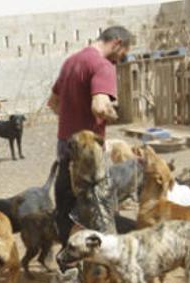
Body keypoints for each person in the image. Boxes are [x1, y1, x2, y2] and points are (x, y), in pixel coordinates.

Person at [48, 25, 132, 246]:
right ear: (117, 43)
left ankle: (68, 263)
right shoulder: (102, 66)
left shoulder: (71, 62)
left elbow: (53, 103)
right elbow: (99, 107)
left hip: (65, 144)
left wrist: (73, 115)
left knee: (66, 207)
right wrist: (114, 114)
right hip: (87, 154)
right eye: (123, 54)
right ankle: (95, 265)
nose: (120, 60)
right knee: (96, 209)